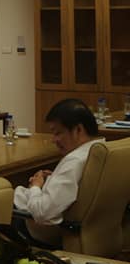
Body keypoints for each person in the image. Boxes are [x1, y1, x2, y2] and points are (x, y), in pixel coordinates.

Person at [13, 98, 103, 246]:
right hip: (95, 232)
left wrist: (35, 186)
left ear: (78, 130)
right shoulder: (102, 149)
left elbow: (43, 213)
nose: (53, 140)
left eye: (58, 133)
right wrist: (54, 178)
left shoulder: (74, 161)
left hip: (44, 230)